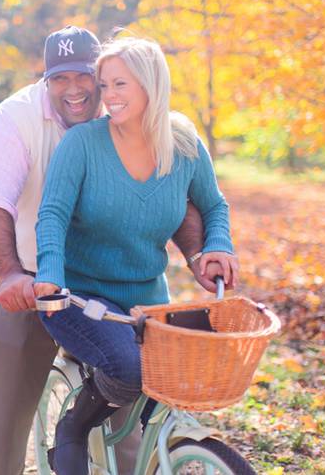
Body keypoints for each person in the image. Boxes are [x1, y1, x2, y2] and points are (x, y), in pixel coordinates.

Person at [0, 26, 219, 475]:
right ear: (45, 80)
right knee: (6, 429)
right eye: (60, 78)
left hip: (108, 290)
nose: (77, 89)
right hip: (24, 277)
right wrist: (8, 274)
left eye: (86, 76)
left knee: (128, 428)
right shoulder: (15, 120)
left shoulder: (136, 124)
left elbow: (174, 199)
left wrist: (200, 255)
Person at [33, 36, 239, 475]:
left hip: (147, 298)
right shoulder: (84, 144)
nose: (108, 96)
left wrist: (217, 247)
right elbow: (52, 213)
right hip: (77, 296)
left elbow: (214, 205)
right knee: (129, 368)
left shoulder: (183, 144)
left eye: (120, 84)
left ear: (151, 85)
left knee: (179, 376)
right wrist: (48, 273)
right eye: (105, 85)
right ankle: (74, 427)